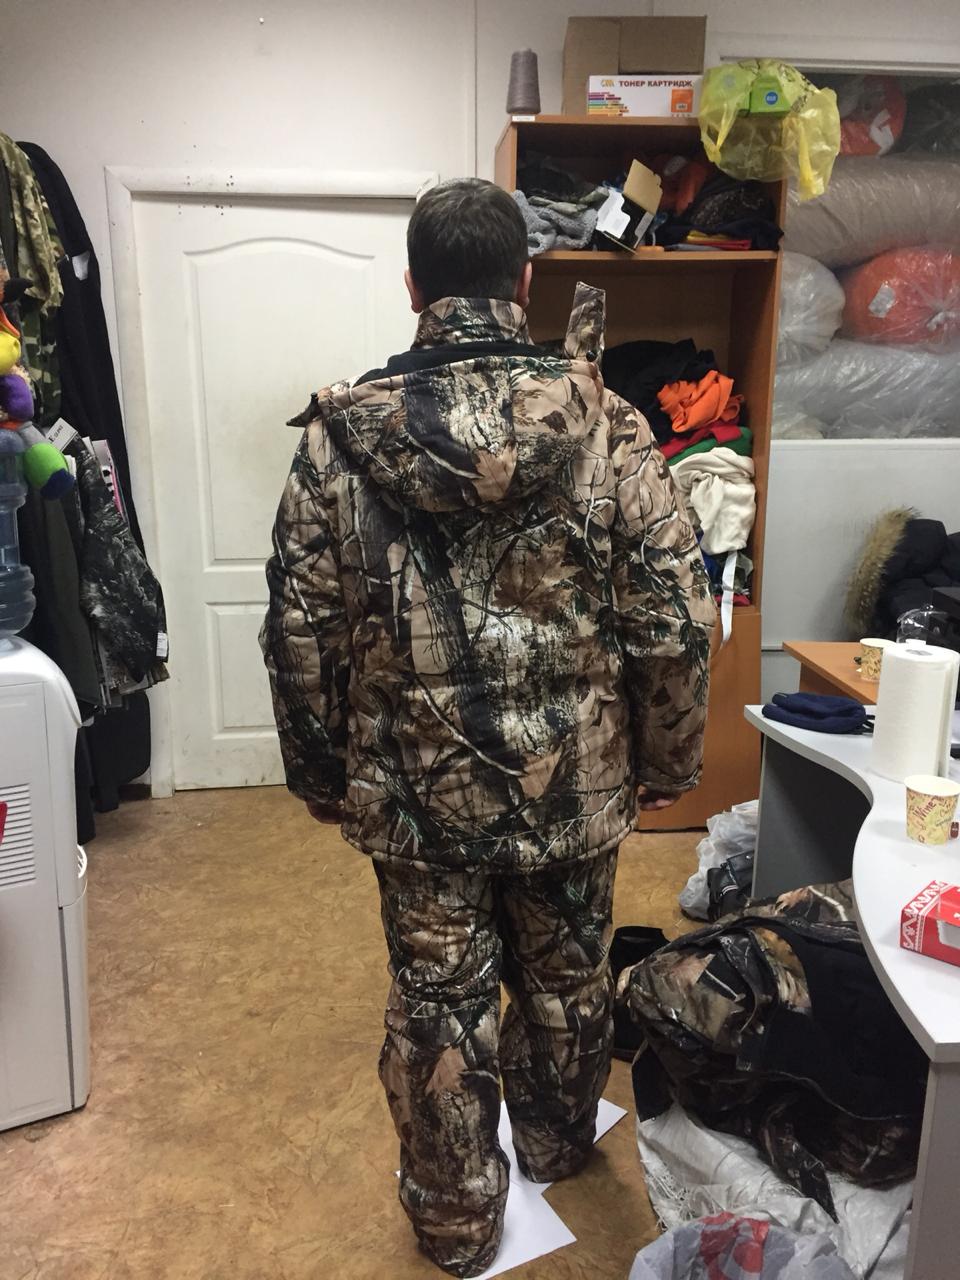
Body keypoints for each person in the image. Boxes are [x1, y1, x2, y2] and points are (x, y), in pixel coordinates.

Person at [260, 178, 716, 1278]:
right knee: (565, 978)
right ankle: (556, 1144)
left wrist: (321, 773)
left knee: (437, 1003)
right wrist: (667, 758)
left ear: (413, 287)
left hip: (417, 798)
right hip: (575, 786)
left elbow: (301, 628)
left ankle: (458, 1221)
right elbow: (675, 616)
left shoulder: (338, 442)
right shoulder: (610, 426)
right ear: (525, 281)